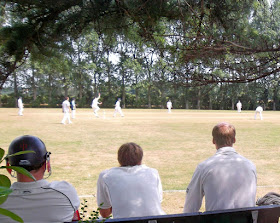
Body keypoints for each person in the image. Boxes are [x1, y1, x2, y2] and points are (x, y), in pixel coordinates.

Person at [0, 135, 80, 222]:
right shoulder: (66, 192)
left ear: (8, 166)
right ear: (47, 164)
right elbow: (75, 217)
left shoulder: (2, 200)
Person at [183, 122, 257, 213]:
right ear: (234, 140)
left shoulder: (204, 167)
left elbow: (190, 206)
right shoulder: (250, 165)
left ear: (213, 141)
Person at [97, 142, 165, 218]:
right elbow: (156, 201)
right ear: (140, 159)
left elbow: (104, 213)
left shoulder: (106, 176)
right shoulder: (153, 173)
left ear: (119, 159)